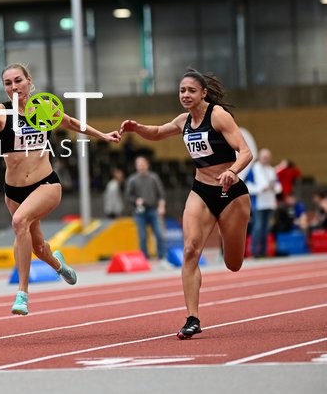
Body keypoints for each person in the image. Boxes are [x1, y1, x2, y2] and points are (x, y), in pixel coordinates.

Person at [0, 63, 121, 316]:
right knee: (37, 246)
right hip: (14, 191)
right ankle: (59, 265)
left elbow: (70, 122)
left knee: (19, 222)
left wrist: (103, 135)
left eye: (18, 81)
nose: (14, 87)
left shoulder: (43, 107)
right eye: (8, 83)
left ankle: (22, 294)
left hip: (46, 184)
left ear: (28, 81)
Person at [120, 68, 252, 340]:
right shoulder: (184, 121)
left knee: (234, 263)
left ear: (204, 93)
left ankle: (231, 236)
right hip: (202, 190)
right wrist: (137, 128)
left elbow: (245, 152)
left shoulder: (217, 115)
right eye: (182, 91)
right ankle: (192, 318)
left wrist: (232, 171)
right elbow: (157, 132)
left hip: (231, 193)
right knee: (190, 250)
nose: (186, 95)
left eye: (191, 90)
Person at [124, 156, 167, 261]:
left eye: (143, 164)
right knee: (142, 236)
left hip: (153, 209)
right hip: (139, 212)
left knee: (159, 233)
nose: (141, 166)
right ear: (136, 166)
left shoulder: (154, 178)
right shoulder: (132, 179)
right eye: (139, 164)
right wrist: (135, 200)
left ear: (147, 165)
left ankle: (161, 256)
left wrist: (161, 207)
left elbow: (161, 194)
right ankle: (144, 257)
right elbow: (127, 196)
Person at [246, 148, 281, 257]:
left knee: (266, 228)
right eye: (264, 157)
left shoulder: (272, 170)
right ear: (259, 157)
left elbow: (279, 187)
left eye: (267, 158)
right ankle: (254, 251)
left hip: (270, 203)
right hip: (259, 203)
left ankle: (264, 251)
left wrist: (274, 188)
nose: (266, 159)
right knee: (258, 227)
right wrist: (261, 189)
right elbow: (247, 185)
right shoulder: (254, 169)